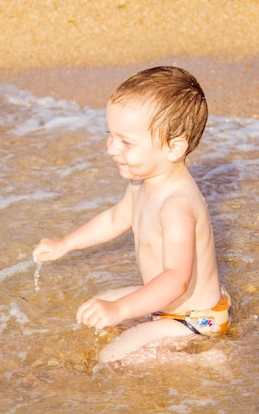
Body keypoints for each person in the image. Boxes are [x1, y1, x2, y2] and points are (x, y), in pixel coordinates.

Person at [32, 66, 231, 363]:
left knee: (114, 359)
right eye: (110, 135)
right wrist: (65, 244)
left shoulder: (176, 204)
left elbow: (176, 278)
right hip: (167, 304)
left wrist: (121, 310)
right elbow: (115, 219)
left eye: (126, 142)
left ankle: (203, 360)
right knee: (92, 309)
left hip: (196, 318)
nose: (111, 148)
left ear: (174, 147)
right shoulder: (141, 182)